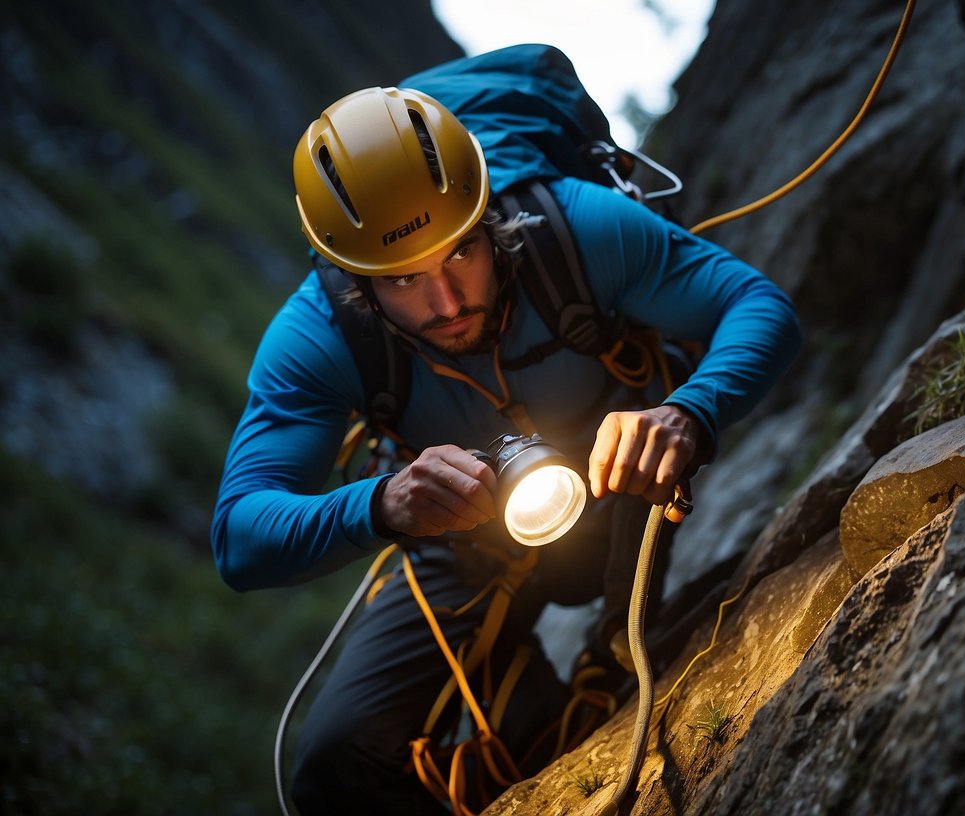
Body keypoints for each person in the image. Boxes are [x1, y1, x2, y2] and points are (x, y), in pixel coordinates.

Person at [211, 52, 800, 815]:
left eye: (461, 248)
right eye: (402, 280)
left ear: (489, 213)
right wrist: (383, 505)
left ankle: (609, 663)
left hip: (620, 485)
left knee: (613, 652)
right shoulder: (318, 338)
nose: (447, 299)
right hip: (459, 533)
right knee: (335, 761)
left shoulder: (574, 228)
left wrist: (686, 413)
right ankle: (539, 723)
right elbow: (239, 536)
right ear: (354, 280)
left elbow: (757, 306)